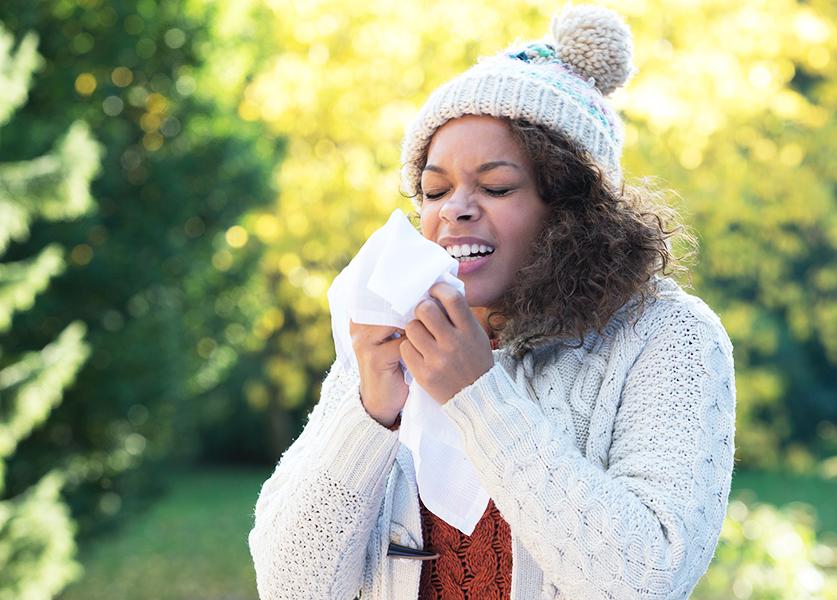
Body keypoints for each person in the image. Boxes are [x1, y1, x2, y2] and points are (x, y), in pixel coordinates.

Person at [248, 4, 737, 599]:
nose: (454, 208)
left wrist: (477, 394)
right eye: (434, 189)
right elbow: (290, 585)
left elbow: (643, 580)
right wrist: (370, 410)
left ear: (573, 206)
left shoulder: (667, 335)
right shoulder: (395, 331)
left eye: (496, 186)